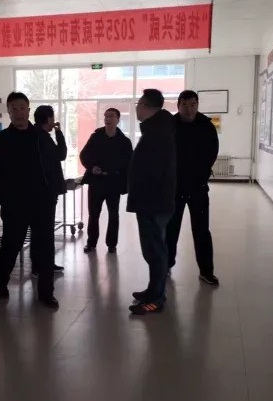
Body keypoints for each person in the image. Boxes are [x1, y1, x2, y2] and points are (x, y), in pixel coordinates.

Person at [0, 92, 63, 309]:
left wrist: (53, 194)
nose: (19, 112)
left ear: (29, 110)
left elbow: (54, 164)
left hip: (42, 203)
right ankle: (0, 281)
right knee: (11, 245)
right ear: (9, 111)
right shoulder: (1, 140)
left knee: (45, 248)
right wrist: (3, 199)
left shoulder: (41, 136)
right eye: (14, 108)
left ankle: (46, 293)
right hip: (15, 204)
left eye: (22, 108)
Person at [128, 89, 176, 315]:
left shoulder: (158, 132)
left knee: (155, 249)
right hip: (152, 200)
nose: (137, 108)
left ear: (146, 107)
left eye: (138, 104)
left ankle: (156, 298)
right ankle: (152, 290)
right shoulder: (157, 128)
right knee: (153, 248)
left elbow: (154, 171)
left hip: (154, 202)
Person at [165, 90, 220, 287]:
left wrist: (202, 173)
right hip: (175, 187)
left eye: (193, 105)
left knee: (202, 230)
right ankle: (166, 265)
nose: (189, 109)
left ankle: (206, 271)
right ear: (178, 105)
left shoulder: (206, 125)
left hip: (198, 186)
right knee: (171, 229)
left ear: (197, 105)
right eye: (185, 105)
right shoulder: (170, 125)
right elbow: (164, 153)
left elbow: (212, 151)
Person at [80, 108, 133, 254]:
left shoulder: (124, 141)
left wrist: (124, 181)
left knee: (113, 214)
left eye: (111, 116)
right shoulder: (96, 137)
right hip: (96, 182)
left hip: (113, 182)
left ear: (118, 120)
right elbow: (84, 155)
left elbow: (129, 163)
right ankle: (91, 243)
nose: (107, 119)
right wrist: (92, 167)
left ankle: (112, 244)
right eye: (106, 116)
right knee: (94, 214)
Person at [32, 104, 67, 276]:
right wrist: (59, 133)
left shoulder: (41, 136)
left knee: (44, 230)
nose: (54, 121)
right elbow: (61, 155)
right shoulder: (41, 137)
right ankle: (40, 266)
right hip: (45, 192)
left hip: (44, 191)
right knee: (42, 230)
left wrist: (57, 133)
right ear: (48, 119)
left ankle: (46, 263)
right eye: (52, 118)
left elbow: (59, 155)